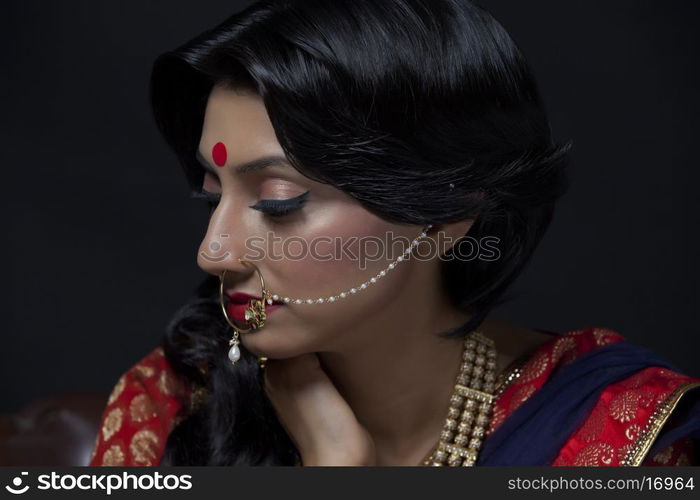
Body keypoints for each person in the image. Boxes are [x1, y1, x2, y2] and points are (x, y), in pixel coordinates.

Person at [88, 0, 699, 466]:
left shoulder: (614, 431)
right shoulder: (172, 402)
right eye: (213, 197)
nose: (213, 252)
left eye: (278, 202)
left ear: (446, 215)